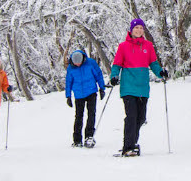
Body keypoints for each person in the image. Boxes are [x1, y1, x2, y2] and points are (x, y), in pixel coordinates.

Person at [110, 18, 168, 157]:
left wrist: (160, 72)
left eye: (141, 28)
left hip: (142, 87)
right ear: (131, 30)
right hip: (128, 87)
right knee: (131, 116)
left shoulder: (148, 46)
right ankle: (128, 147)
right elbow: (117, 64)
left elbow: (153, 63)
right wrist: (114, 76)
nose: (139, 30)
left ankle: (133, 143)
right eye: (136, 28)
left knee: (141, 118)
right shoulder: (123, 46)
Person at [65, 50, 106, 148]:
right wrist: (68, 96)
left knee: (91, 114)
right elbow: (68, 82)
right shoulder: (71, 68)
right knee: (79, 116)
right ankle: (77, 140)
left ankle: (89, 136)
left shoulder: (90, 63)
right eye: (76, 63)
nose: (78, 65)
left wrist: (102, 88)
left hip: (91, 92)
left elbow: (98, 75)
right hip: (79, 95)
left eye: (79, 63)